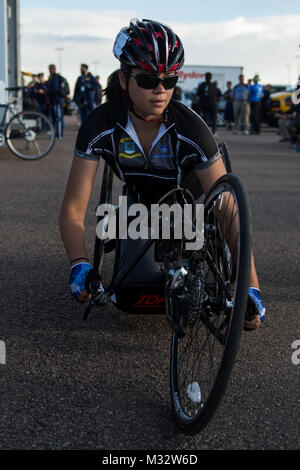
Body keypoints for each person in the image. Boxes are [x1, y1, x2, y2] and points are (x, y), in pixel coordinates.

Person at [59, 18, 266, 330]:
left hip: (189, 194)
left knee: (216, 206)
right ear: (124, 79)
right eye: (147, 80)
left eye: (169, 81)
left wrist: (251, 285)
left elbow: (229, 212)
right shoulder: (99, 125)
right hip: (140, 198)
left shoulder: (191, 127)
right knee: (128, 285)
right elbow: (74, 208)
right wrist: (79, 263)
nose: (160, 90)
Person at [196, 72, 218, 136]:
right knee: (205, 118)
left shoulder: (213, 85)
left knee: (214, 118)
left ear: (211, 78)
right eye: (207, 77)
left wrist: (216, 102)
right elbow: (198, 94)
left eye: (209, 77)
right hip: (205, 104)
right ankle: (205, 132)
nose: (208, 78)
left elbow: (216, 94)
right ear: (205, 77)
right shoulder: (202, 85)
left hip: (212, 104)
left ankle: (214, 131)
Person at [46, 64, 64, 139]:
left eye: (50, 69)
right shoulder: (52, 77)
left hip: (56, 101)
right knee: (55, 119)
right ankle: (56, 134)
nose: (49, 70)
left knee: (58, 118)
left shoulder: (55, 77)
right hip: (54, 101)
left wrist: (48, 91)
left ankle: (59, 135)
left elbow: (55, 89)